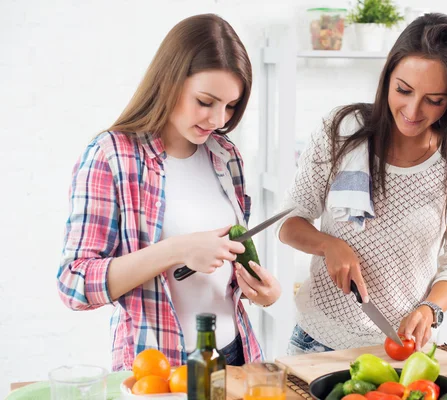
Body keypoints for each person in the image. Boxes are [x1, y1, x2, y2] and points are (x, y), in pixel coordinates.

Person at [56, 14, 281, 370]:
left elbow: (226, 266)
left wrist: (264, 292)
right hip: (158, 368)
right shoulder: (112, 156)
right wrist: (176, 250)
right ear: (170, 80)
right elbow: (74, 284)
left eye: (230, 106)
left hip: (236, 356)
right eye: (206, 101)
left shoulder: (226, 157)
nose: (218, 119)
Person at [276, 13, 447, 354]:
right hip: (319, 344)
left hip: (403, 351)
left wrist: (430, 309)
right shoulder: (342, 130)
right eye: (403, 90)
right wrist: (328, 245)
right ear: (387, 76)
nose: (412, 110)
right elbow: (288, 223)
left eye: (434, 100)